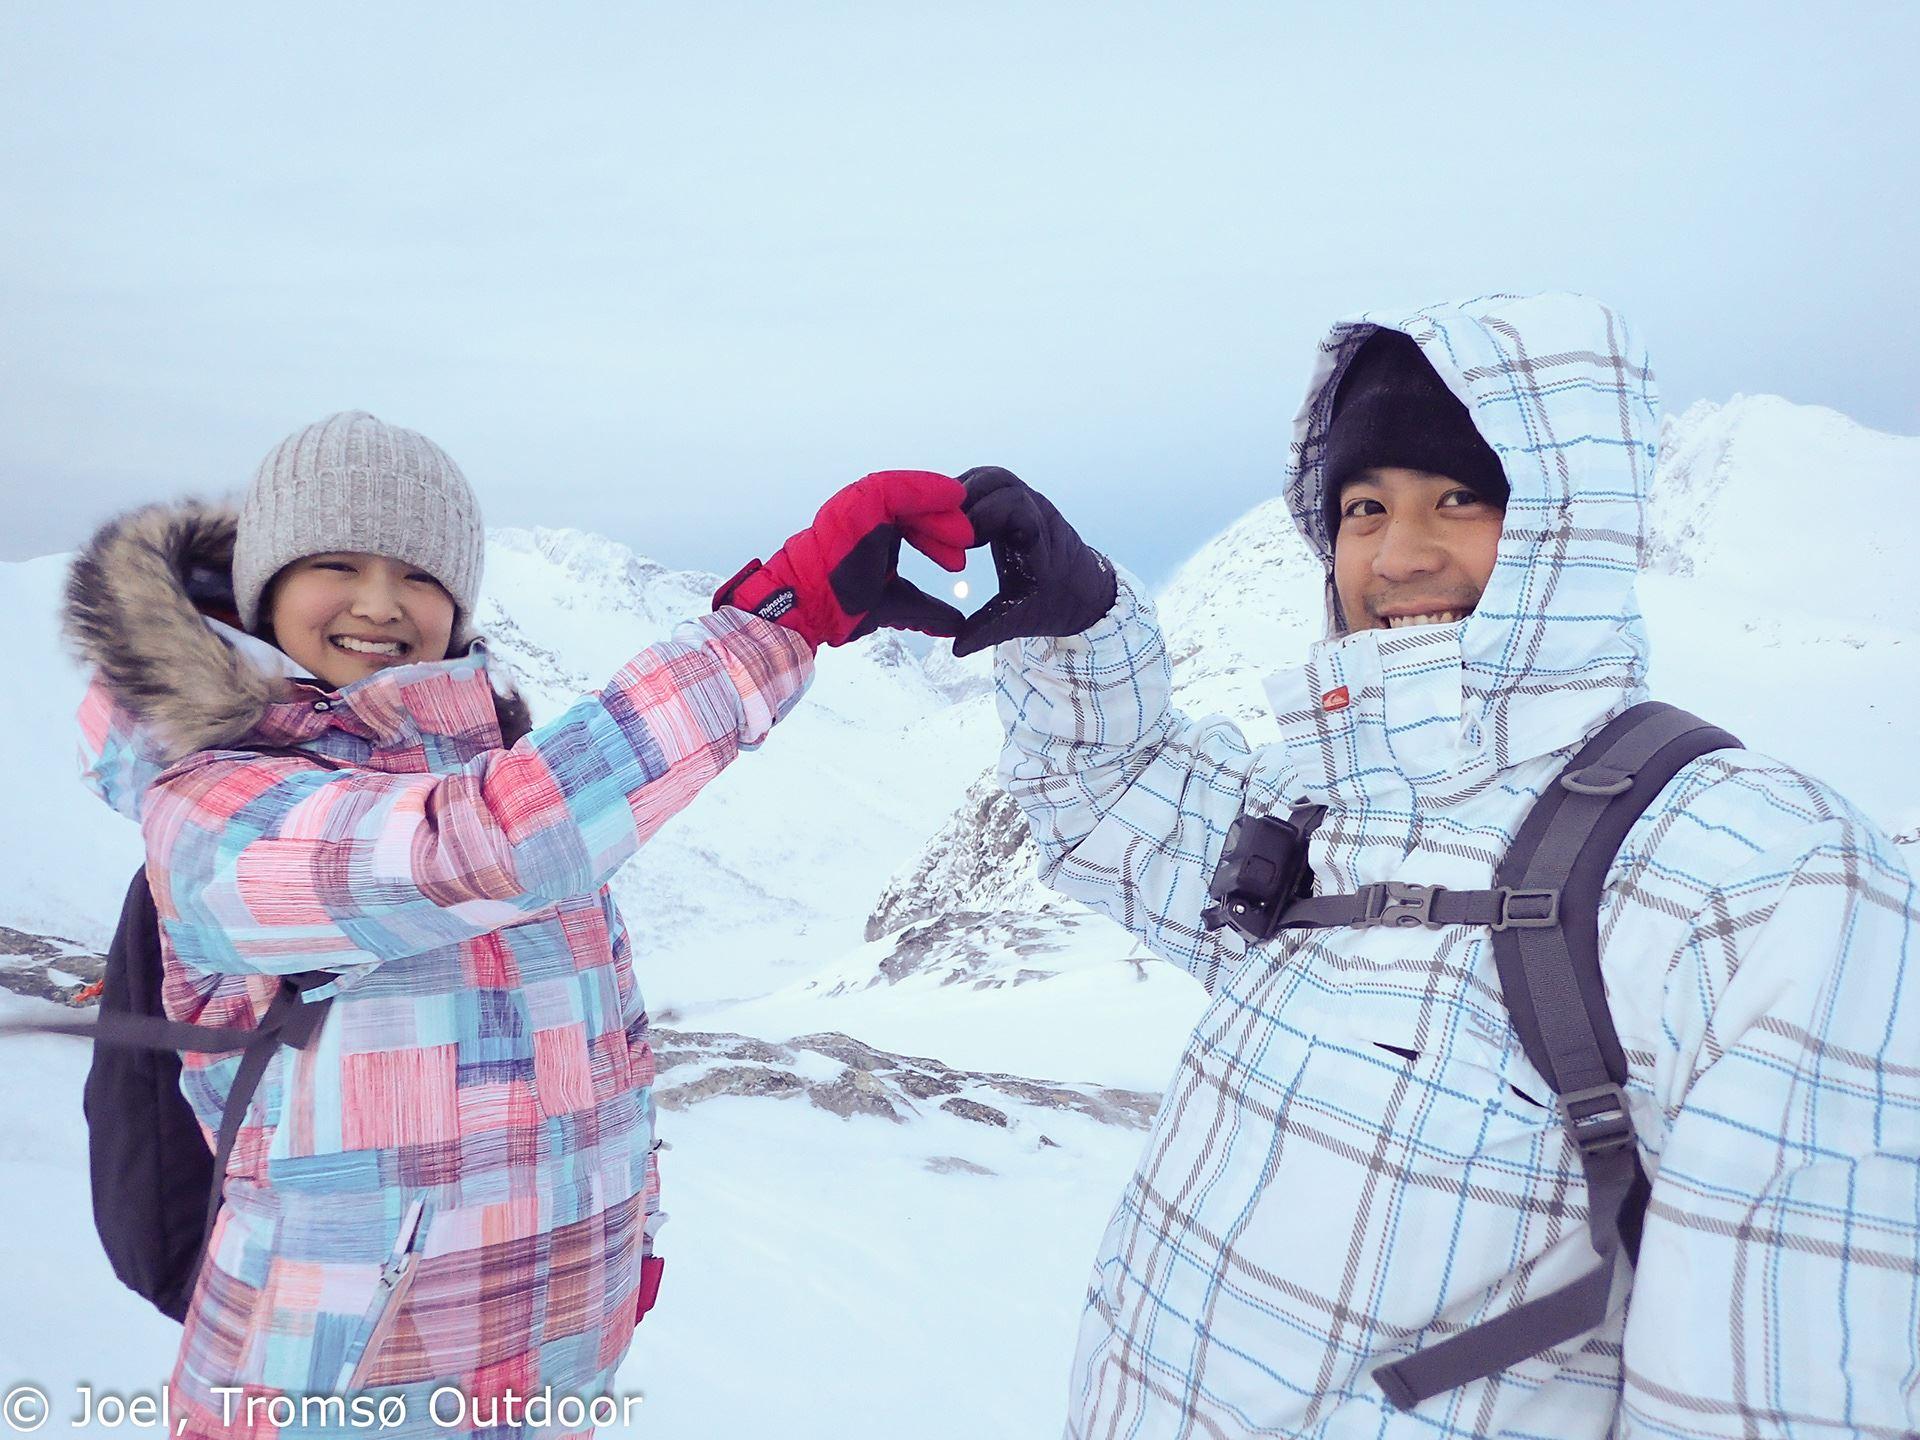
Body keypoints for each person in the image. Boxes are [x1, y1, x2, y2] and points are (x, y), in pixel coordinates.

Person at [951, 294, 1920, 1438]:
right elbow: (1104, 805)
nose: (1400, 554)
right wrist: (1077, 620)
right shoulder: (1330, 810)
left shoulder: (1764, 878)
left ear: (1570, 526)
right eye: (1365, 507)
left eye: (1462, 497)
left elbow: (1773, 1405)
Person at [63, 410, 970, 1438]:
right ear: (264, 584)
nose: (379, 603)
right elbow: (472, 848)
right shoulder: (215, 809)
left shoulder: (498, 766)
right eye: (334, 565)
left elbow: (598, 1059)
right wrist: (780, 617)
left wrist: (619, 1266)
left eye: (418, 573)